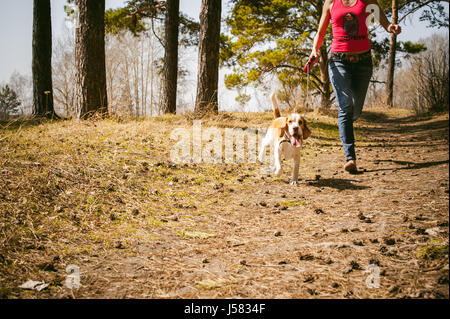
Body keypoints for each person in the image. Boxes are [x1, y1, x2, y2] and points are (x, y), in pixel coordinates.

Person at [310, 0, 401, 173]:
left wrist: (391, 28)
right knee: (345, 106)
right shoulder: (330, 2)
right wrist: (315, 49)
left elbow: (384, 21)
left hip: (363, 61)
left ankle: (346, 125)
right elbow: (320, 32)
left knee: (356, 109)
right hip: (338, 61)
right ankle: (350, 157)